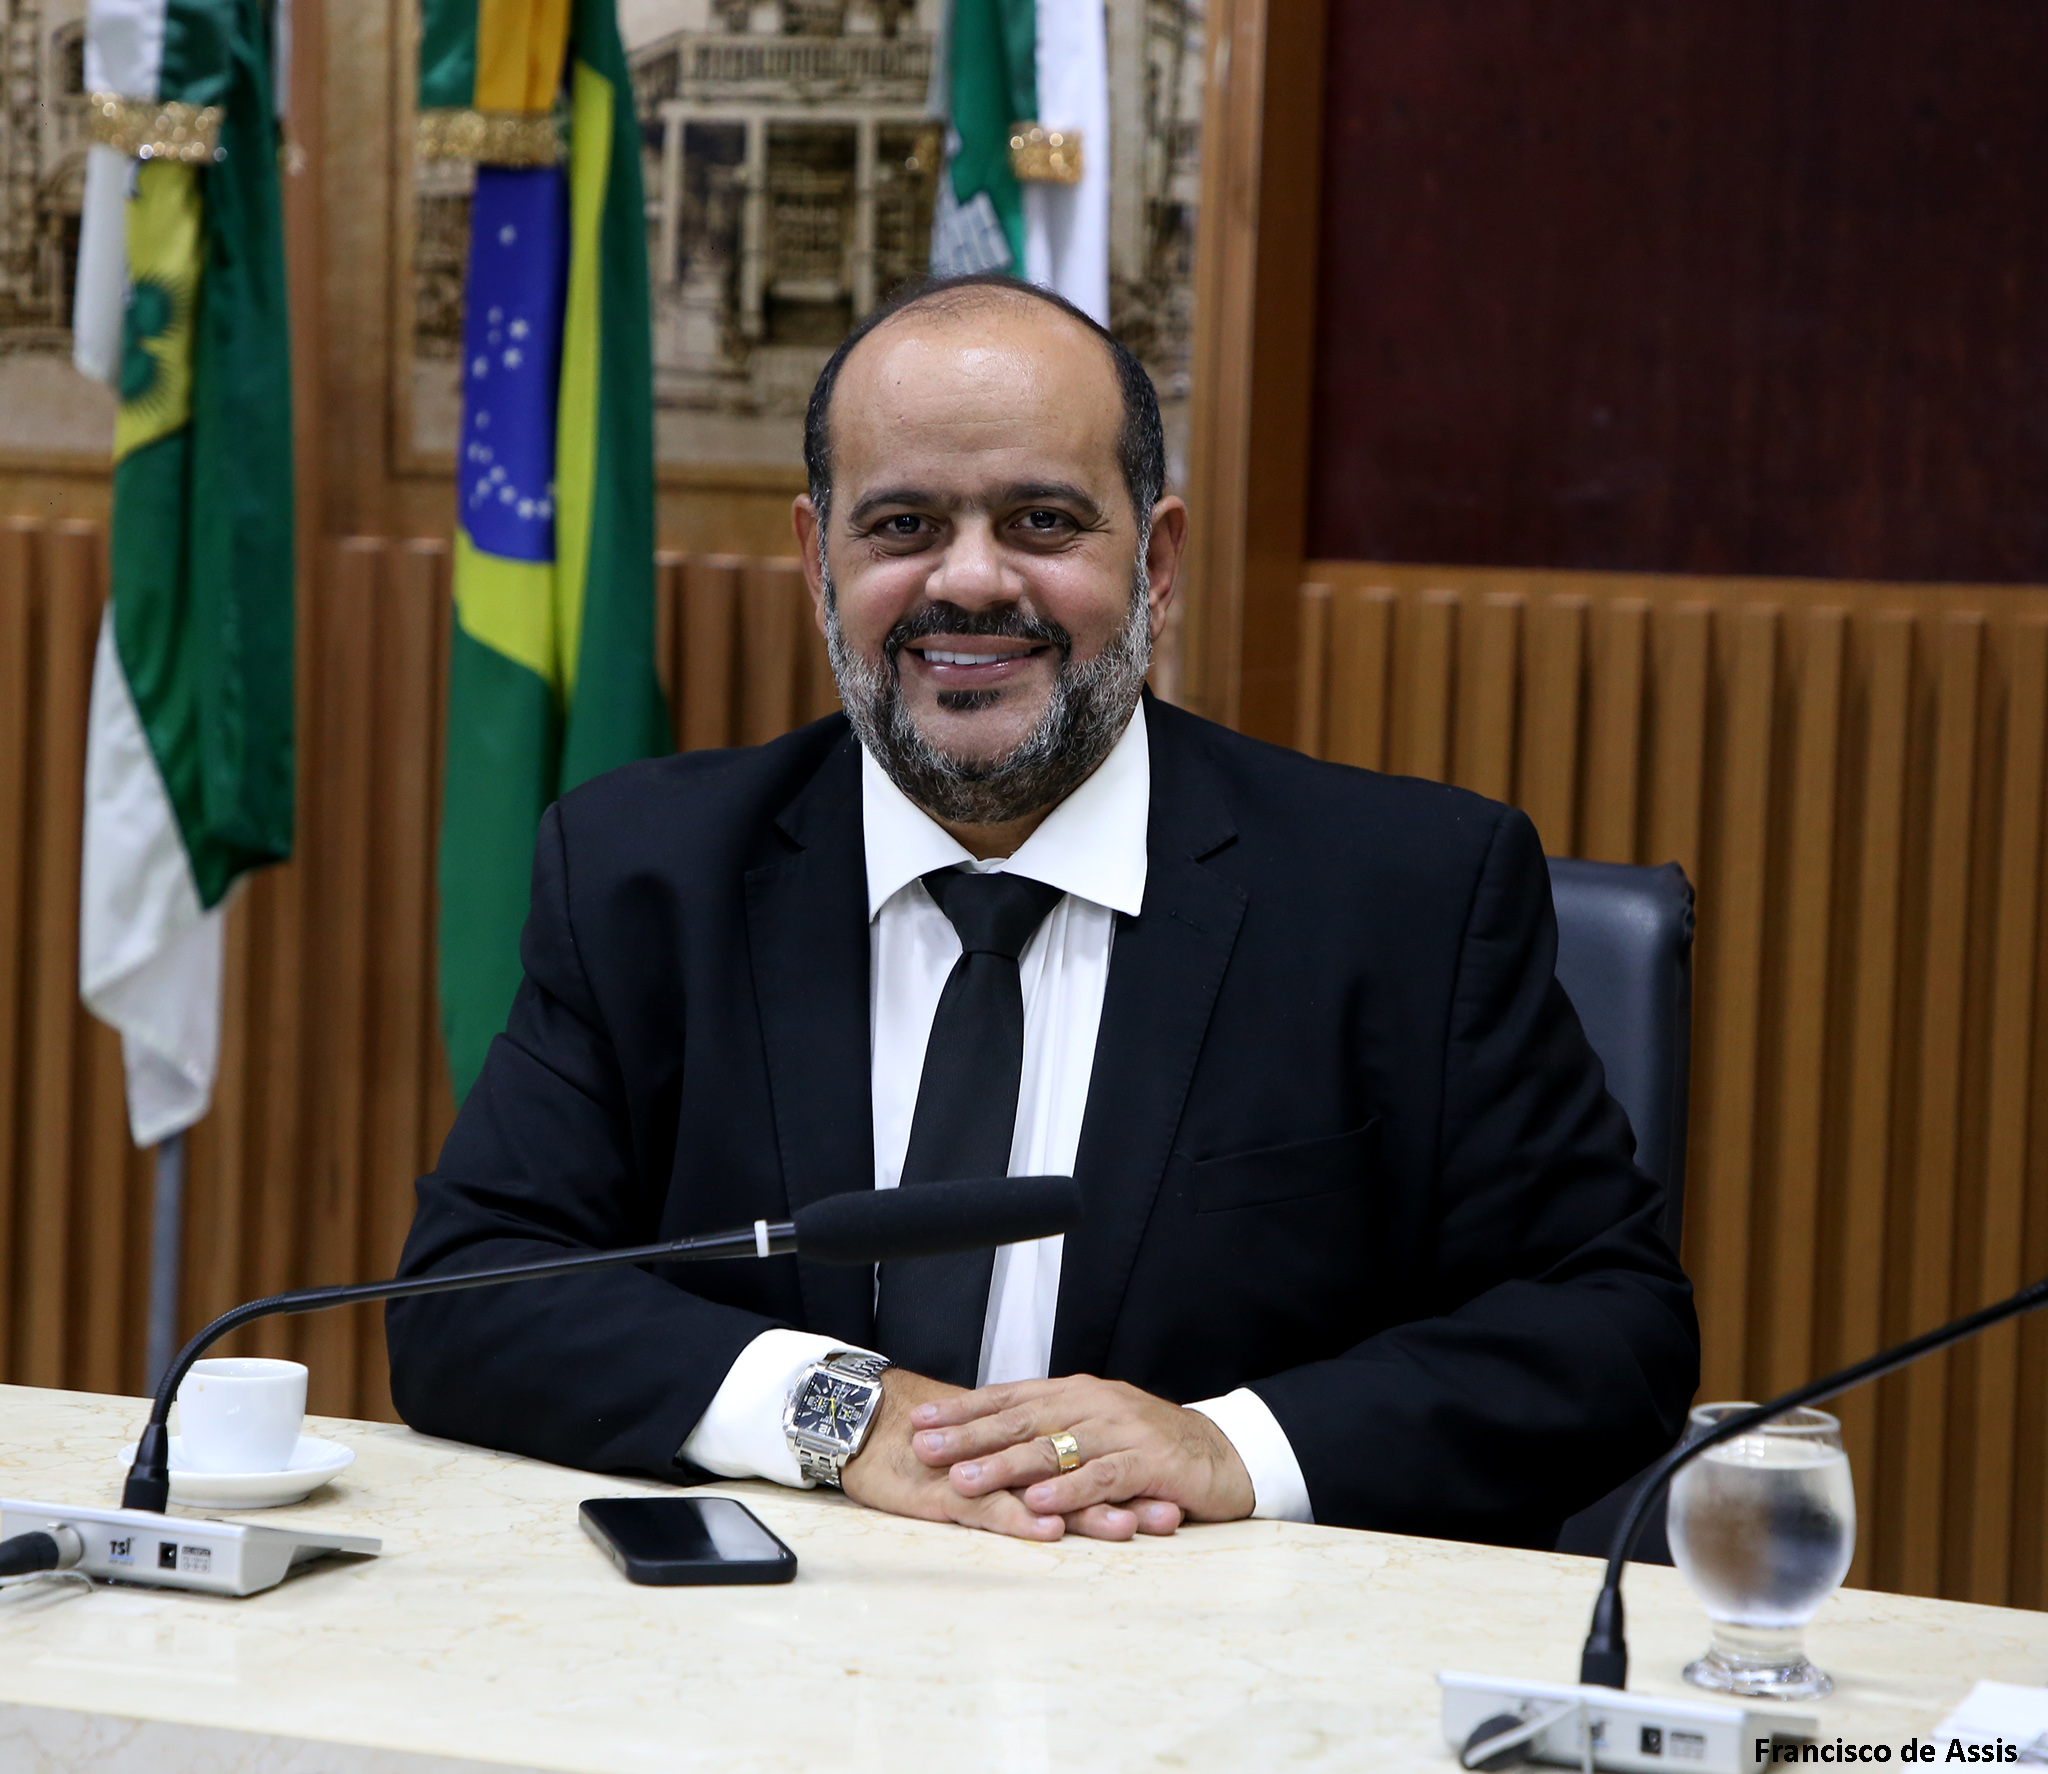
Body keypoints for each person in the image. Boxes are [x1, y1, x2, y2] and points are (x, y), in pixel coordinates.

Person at [387, 273, 1698, 1549]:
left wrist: (1230, 1447)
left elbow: (1607, 1326)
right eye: (902, 524)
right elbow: (468, 1289)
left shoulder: (1405, 893)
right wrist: (840, 1413)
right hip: (777, 1628)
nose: (969, 581)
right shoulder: (645, 873)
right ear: (817, 560)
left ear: (1156, 562)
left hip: (1213, 1642)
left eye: (1042, 521)